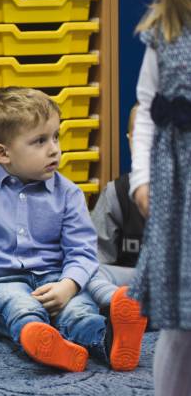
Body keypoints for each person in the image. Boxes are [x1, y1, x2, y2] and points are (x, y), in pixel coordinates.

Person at [0, 87, 146, 373]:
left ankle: (110, 342)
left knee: (80, 312)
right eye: (40, 141)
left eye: (55, 136)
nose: (54, 149)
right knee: (19, 306)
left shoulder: (69, 193)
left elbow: (82, 251)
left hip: (56, 280)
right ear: (2, 153)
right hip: (0, 283)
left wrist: (68, 285)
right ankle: (43, 341)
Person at [128, 0, 191, 396]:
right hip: (179, 196)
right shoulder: (165, 32)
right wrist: (141, 179)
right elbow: (147, 112)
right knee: (179, 319)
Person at [85, 104, 146, 309]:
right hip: (134, 281)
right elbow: (95, 259)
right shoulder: (117, 193)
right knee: (90, 273)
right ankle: (126, 309)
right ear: (130, 141)